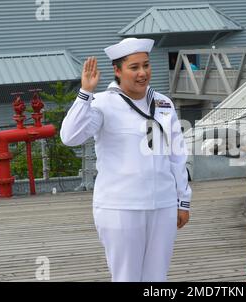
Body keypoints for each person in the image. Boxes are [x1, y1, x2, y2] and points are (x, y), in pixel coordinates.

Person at [60, 38, 192, 282]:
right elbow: (70, 137)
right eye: (134, 67)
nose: (142, 73)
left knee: (157, 278)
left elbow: (177, 155)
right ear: (118, 71)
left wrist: (183, 200)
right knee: (126, 277)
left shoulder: (163, 103)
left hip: (162, 205)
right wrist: (85, 93)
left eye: (146, 65)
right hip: (121, 207)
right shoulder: (102, 104)